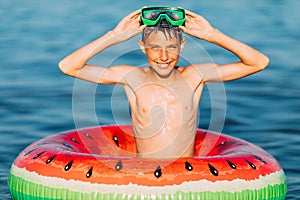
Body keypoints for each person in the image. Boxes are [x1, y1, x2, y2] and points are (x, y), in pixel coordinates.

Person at [58, 8, 269, 158]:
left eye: (171, 47)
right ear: (142, 47)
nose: (164, 55)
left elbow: (259, 62)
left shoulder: (195, 76)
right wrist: (114, 36)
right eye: (155, 47)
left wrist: (213, 35)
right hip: (144, 175)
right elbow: (68, 66)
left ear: (182, 46)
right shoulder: (131, 77)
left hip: (188, 174)